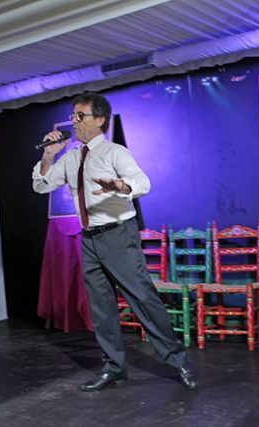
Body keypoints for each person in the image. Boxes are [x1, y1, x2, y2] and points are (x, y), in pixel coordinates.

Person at [32, 92, 197, 391]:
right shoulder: (70, 157)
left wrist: (121, 185)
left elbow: (143, 183)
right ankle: (114, 367)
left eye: (80, 116)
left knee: (143, 299)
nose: (74, 121)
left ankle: (179, 360)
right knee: (102, 308)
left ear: (99, 120)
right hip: (90, 240)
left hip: (118, 235)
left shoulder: (114, 153)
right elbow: (42, 186)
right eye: (73, 116)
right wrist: (48, 155)